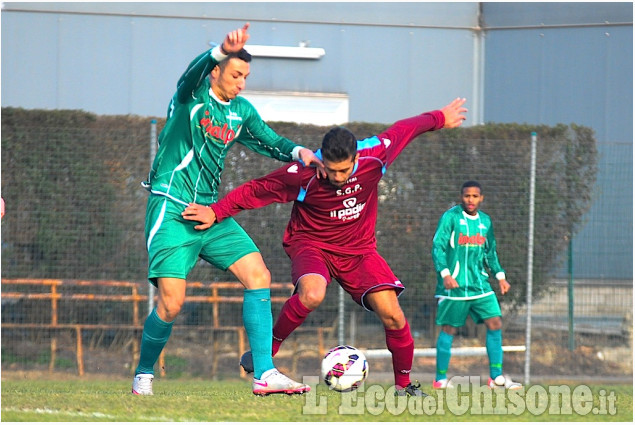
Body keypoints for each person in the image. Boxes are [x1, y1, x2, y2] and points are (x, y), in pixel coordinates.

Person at [182, 98, 469, 397]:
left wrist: (439, 118)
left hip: (359, 250)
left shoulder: (375, 155)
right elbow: (258, 189)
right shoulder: (305, 173)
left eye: (344, 171)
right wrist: (216, 211)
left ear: (355, 158)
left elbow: (406, 129)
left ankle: (404, 386)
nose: (337, 177)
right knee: (312, 293)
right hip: (311, 244)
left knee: (394, 314)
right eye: (332, 170)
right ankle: (267, 351)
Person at [133, 23, 324, 396]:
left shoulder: (241, 111)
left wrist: (301, 153)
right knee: (172, 304)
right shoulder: (190, 97)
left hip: (210, 214)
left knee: (258, 274)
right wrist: (219, 50)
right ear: (216, 70)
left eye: (246, 76)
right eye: (236, 74)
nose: (241, 82)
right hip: (171, 210)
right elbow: (189, 75)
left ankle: (264, 373)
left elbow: (269, 140)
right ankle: (143, 373)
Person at [430, 181, 522, 390]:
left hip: (480, 285)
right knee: (449, 329)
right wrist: (444, 274)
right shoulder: (451, 217)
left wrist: (500, 276)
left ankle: (496, 377)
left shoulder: (485, 221)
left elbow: (490, 252)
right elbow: (438, 247)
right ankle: (440, 379)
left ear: (481, 198)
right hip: (455, 286)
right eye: (466, 196)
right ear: (461, 197)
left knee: (495, 323)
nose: (470, 200)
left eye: (474, 196)